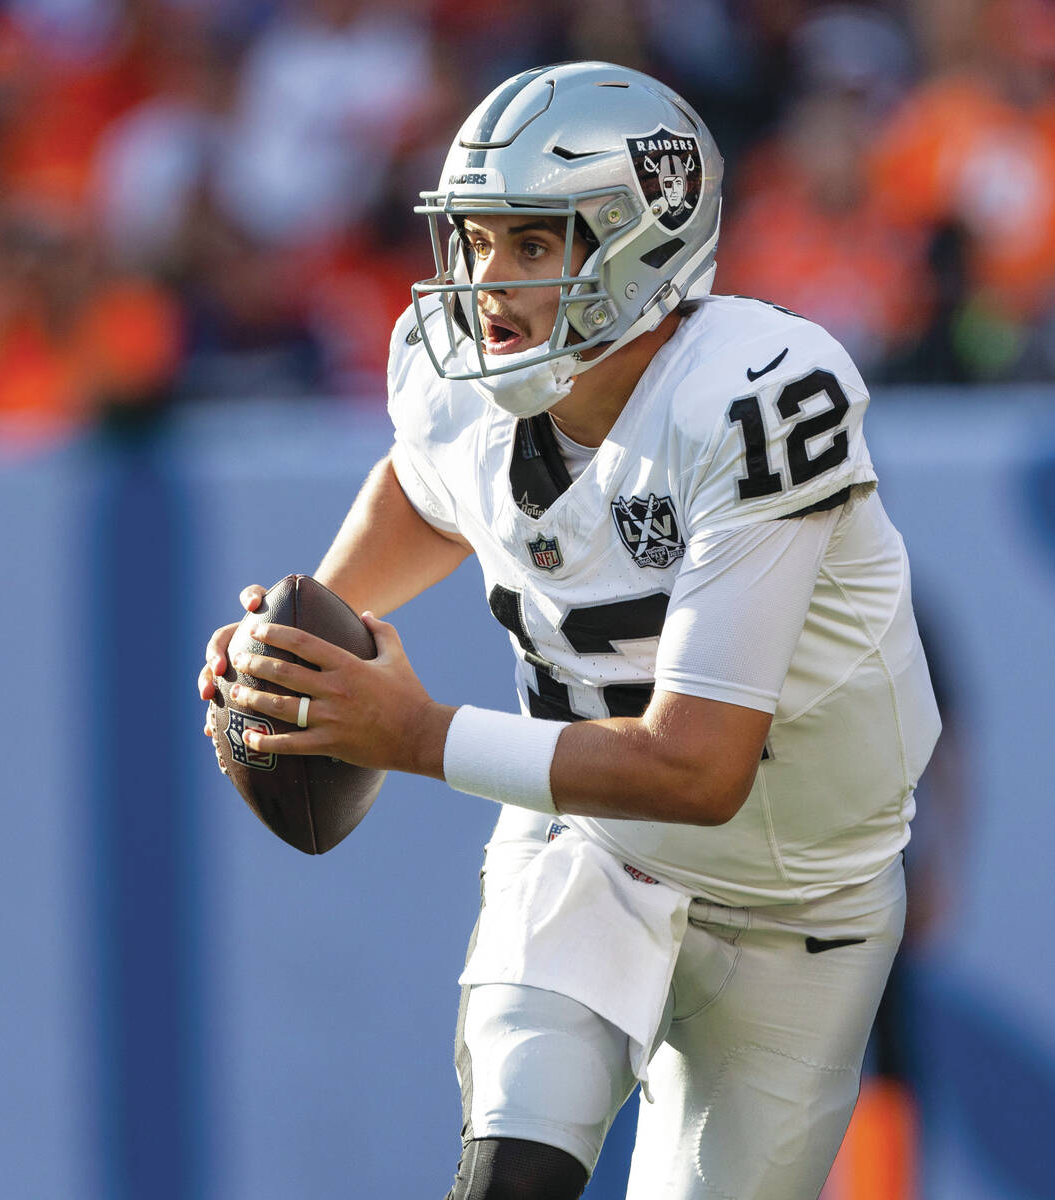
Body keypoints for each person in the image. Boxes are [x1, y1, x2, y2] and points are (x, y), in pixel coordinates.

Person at [198, 61, 941, 1200]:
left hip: (806, 906)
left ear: (640, 245)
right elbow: (429, 482)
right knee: (513, 1180)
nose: (487, 284)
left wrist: (414, 734)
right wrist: (321, 630)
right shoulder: (464, 389)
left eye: (533, 246)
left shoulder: (755, 392)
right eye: (476, 242)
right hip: (588, 847)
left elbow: (699, 767)